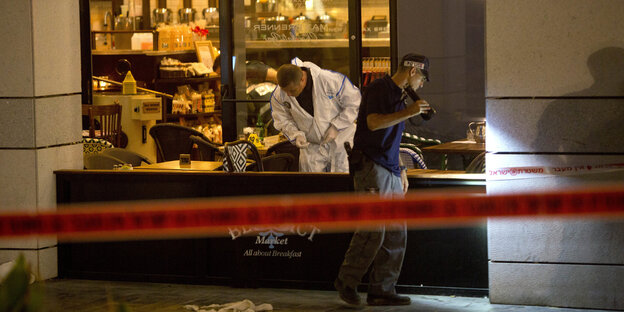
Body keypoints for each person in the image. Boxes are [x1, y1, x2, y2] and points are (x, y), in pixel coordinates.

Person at [334, 53, 433, 306]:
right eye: (423, 78)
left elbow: (391, 139)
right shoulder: (379, 88)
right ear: (413, 72)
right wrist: (410, 111)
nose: (422, 84)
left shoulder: (400, 96)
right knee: (373, 229)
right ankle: (347, 281)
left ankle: (382, 289)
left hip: (389, 168)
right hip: (370, 166)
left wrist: (401, 168)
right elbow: (373, 123)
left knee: (396, 232)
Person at [270, 57, 361, 172]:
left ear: (302, 79)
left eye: (292, 90)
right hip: (311, 146)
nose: (288, 94)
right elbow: (283, 119)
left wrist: (337, 126)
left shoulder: (329, 80)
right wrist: (296, 135)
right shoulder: (279, 95)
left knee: (342, 185)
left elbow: (354, 103)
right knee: (312, 186)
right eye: (285, 91)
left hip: (341, 141)